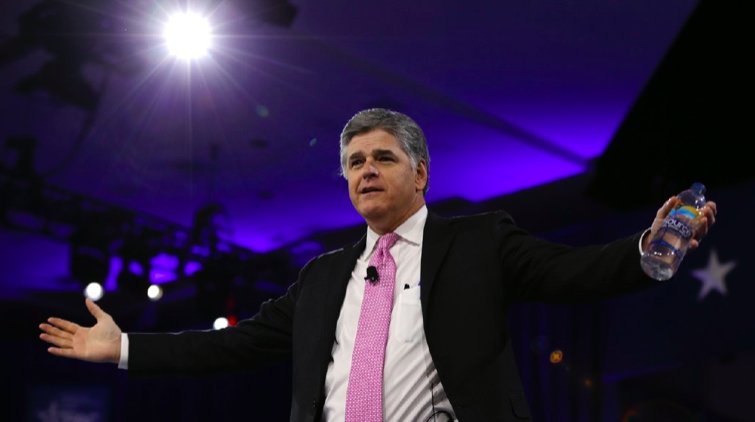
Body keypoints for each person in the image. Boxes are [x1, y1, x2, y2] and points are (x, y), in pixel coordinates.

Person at [39, 108, 718, 421]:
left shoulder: (479, 242)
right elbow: (232, 347)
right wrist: (124, 348)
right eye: (354, 162)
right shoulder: (321, 277)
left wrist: (648, 248)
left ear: (419, 173)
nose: (365, 170)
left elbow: (574, 273)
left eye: (382, 157)